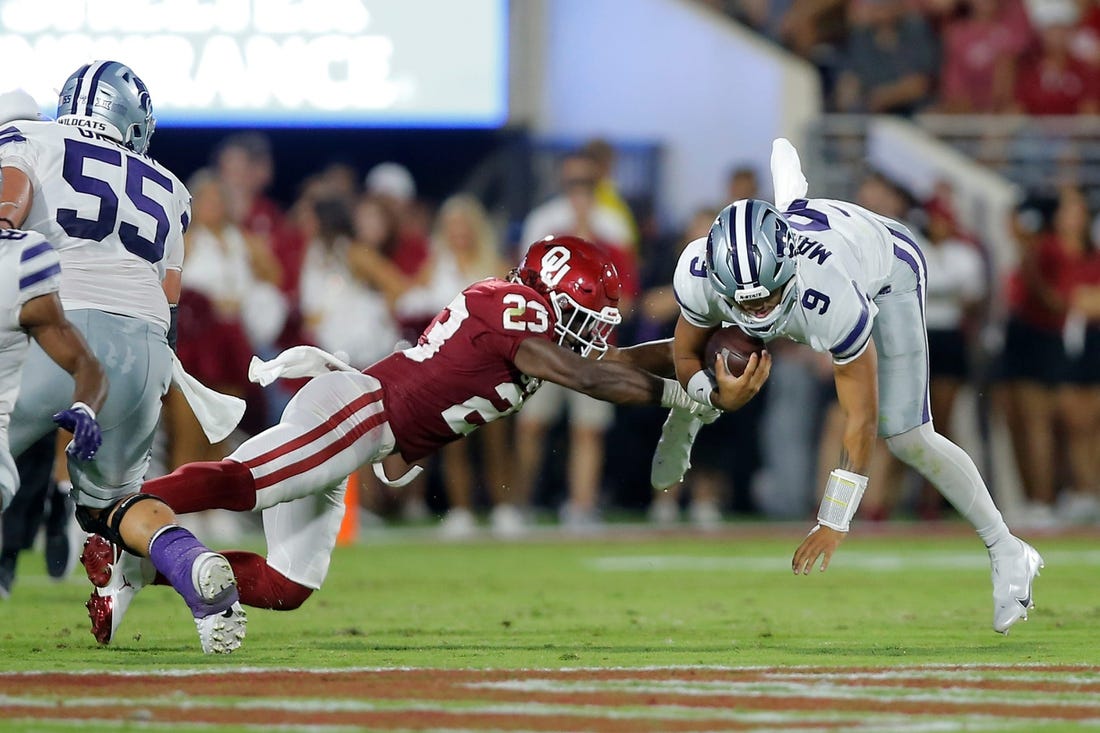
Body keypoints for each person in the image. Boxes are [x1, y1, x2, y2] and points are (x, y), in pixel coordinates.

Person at [79, 235, 743, 645]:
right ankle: (113, 513)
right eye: (580, 315)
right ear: (546, 297)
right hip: (360, 411)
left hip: (367, 432)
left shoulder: (533, 321)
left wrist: (700, 350)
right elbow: (590, 377)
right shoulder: (517, 311)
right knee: (245, 481)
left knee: (287, 585)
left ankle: (137, 562)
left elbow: (613, 361)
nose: (589, 332)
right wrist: (688, 392)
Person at [669, 139, 1043, 635]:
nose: (758, 312)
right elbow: (683, 352)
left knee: (906, 436)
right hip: (814, 233)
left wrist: (834, 519)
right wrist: (712, 395)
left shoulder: (830, 295)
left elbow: (860, 418)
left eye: (769, 295)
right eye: (744, 302)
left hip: (886, 268)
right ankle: (795, 198)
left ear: (788, 271)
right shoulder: (699, 272)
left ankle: (1008, 549)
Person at [0, 63, 247, 653]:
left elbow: (8, 209)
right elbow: (169, 300)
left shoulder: (31, 136)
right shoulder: (170, 187)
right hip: (143, 346)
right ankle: (195, 569)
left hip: (55, 327)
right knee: (113, 505)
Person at [0, 228, 108, 596]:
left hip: (20, 398)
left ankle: (55, 505)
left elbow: (83, 361)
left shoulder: (21, 260)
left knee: (35, 447)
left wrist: (84, 408)